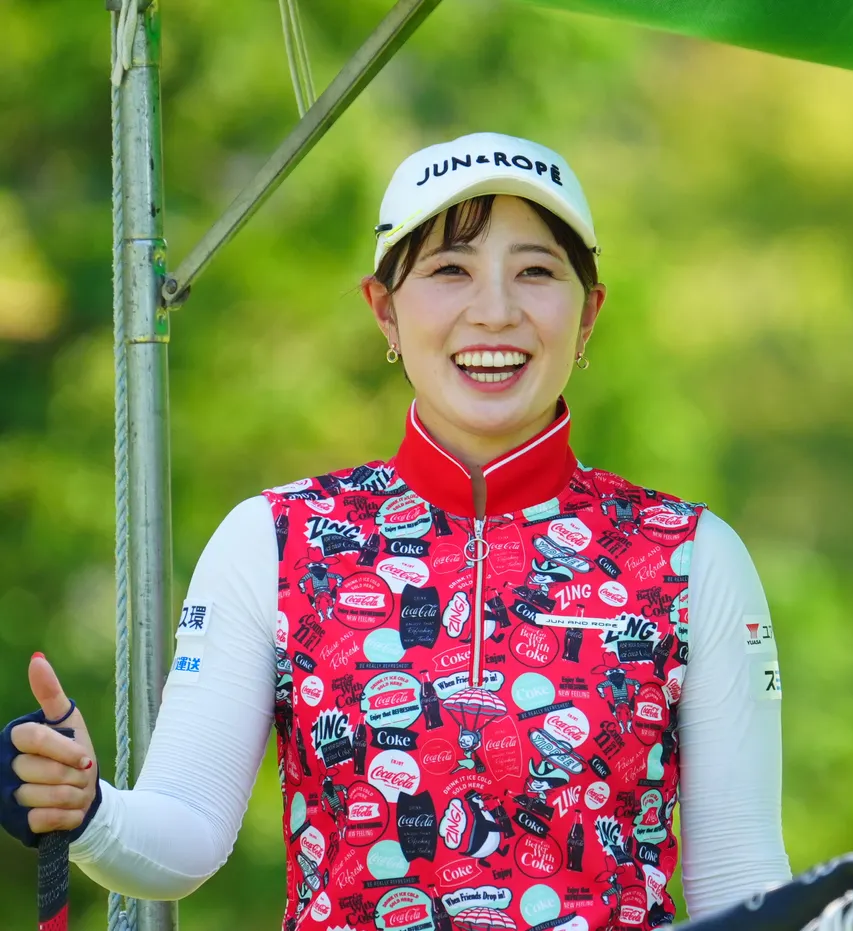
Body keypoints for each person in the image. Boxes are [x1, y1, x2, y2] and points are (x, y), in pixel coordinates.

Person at [1, 131, 791, 929]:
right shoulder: (275, 540)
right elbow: (183, 833)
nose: (495, 311)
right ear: (385, 309)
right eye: (450, 269)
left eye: (536, 271)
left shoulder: (690, 555)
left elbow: (743, 879)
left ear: (587, 315)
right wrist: (89, 808)